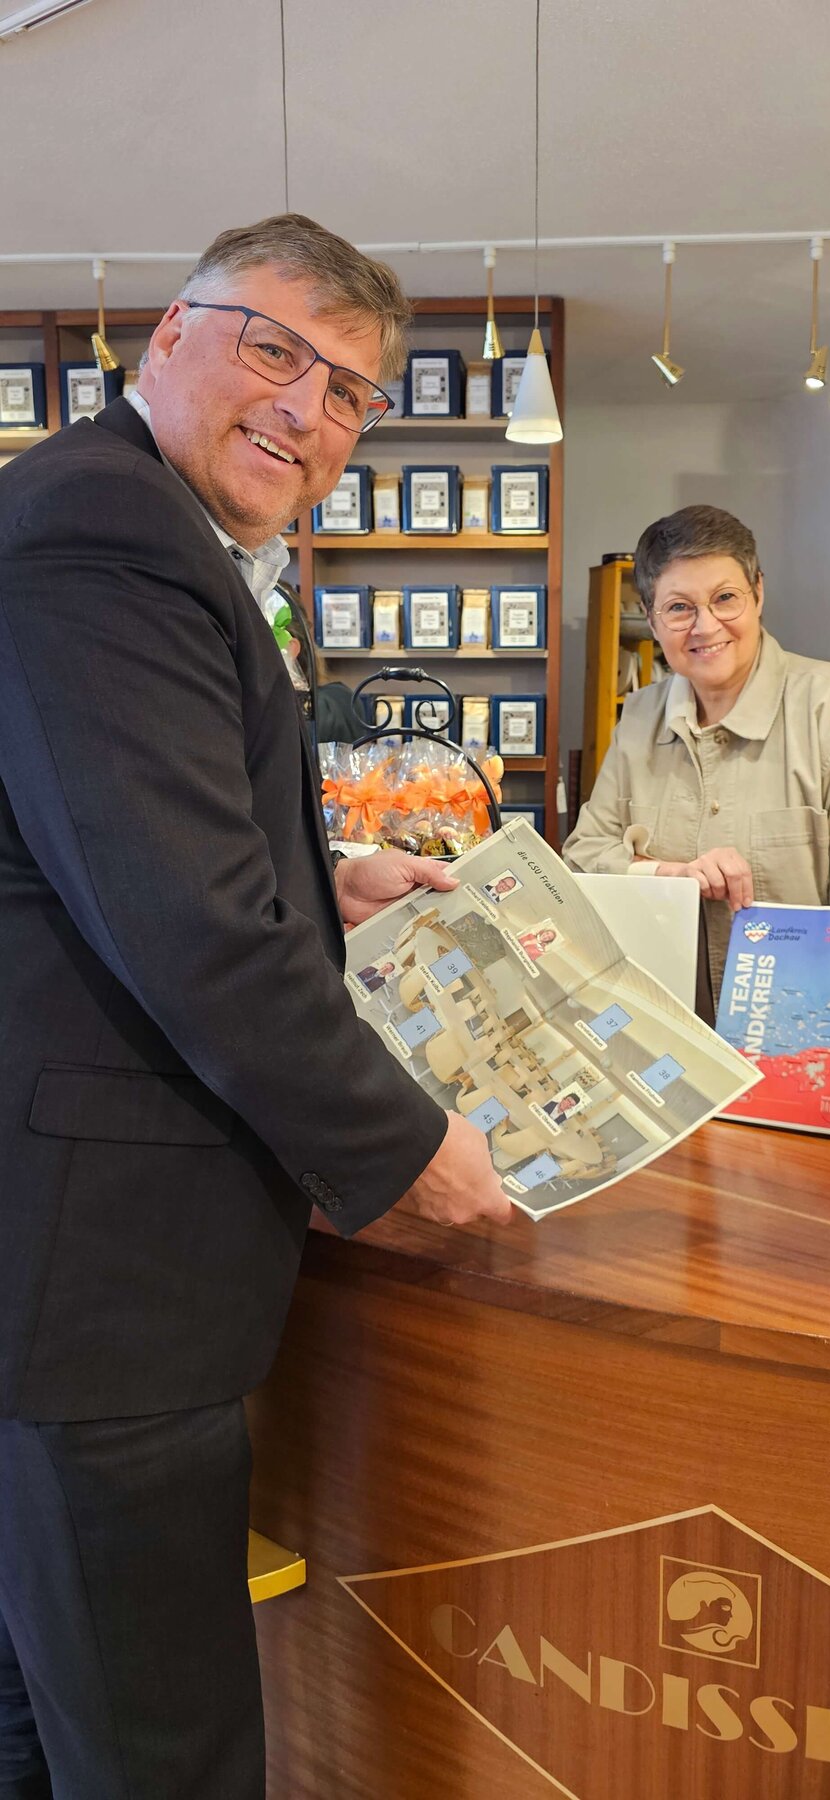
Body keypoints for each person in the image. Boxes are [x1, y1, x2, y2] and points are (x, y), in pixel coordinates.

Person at [0, 213, 512, 1800]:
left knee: (49, 1723)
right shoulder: (106, 524)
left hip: (66, 1276)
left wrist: (327, 870)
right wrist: (400, 1147)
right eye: (276, 350)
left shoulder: (142, 522)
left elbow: (110, 840)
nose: (311, 408)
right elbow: (182, 920)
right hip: (106, 1294)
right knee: (164, 1758)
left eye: (354, 390)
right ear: (168, 334)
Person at [564, 504, 830, 1150]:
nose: (705, 626)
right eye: (679, 608)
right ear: (651, 620)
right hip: (675, 1083)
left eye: (724, 598)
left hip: (822, 1083)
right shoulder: (637, 721)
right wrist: (668, 874)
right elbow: (580, 860)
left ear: (759, 592)